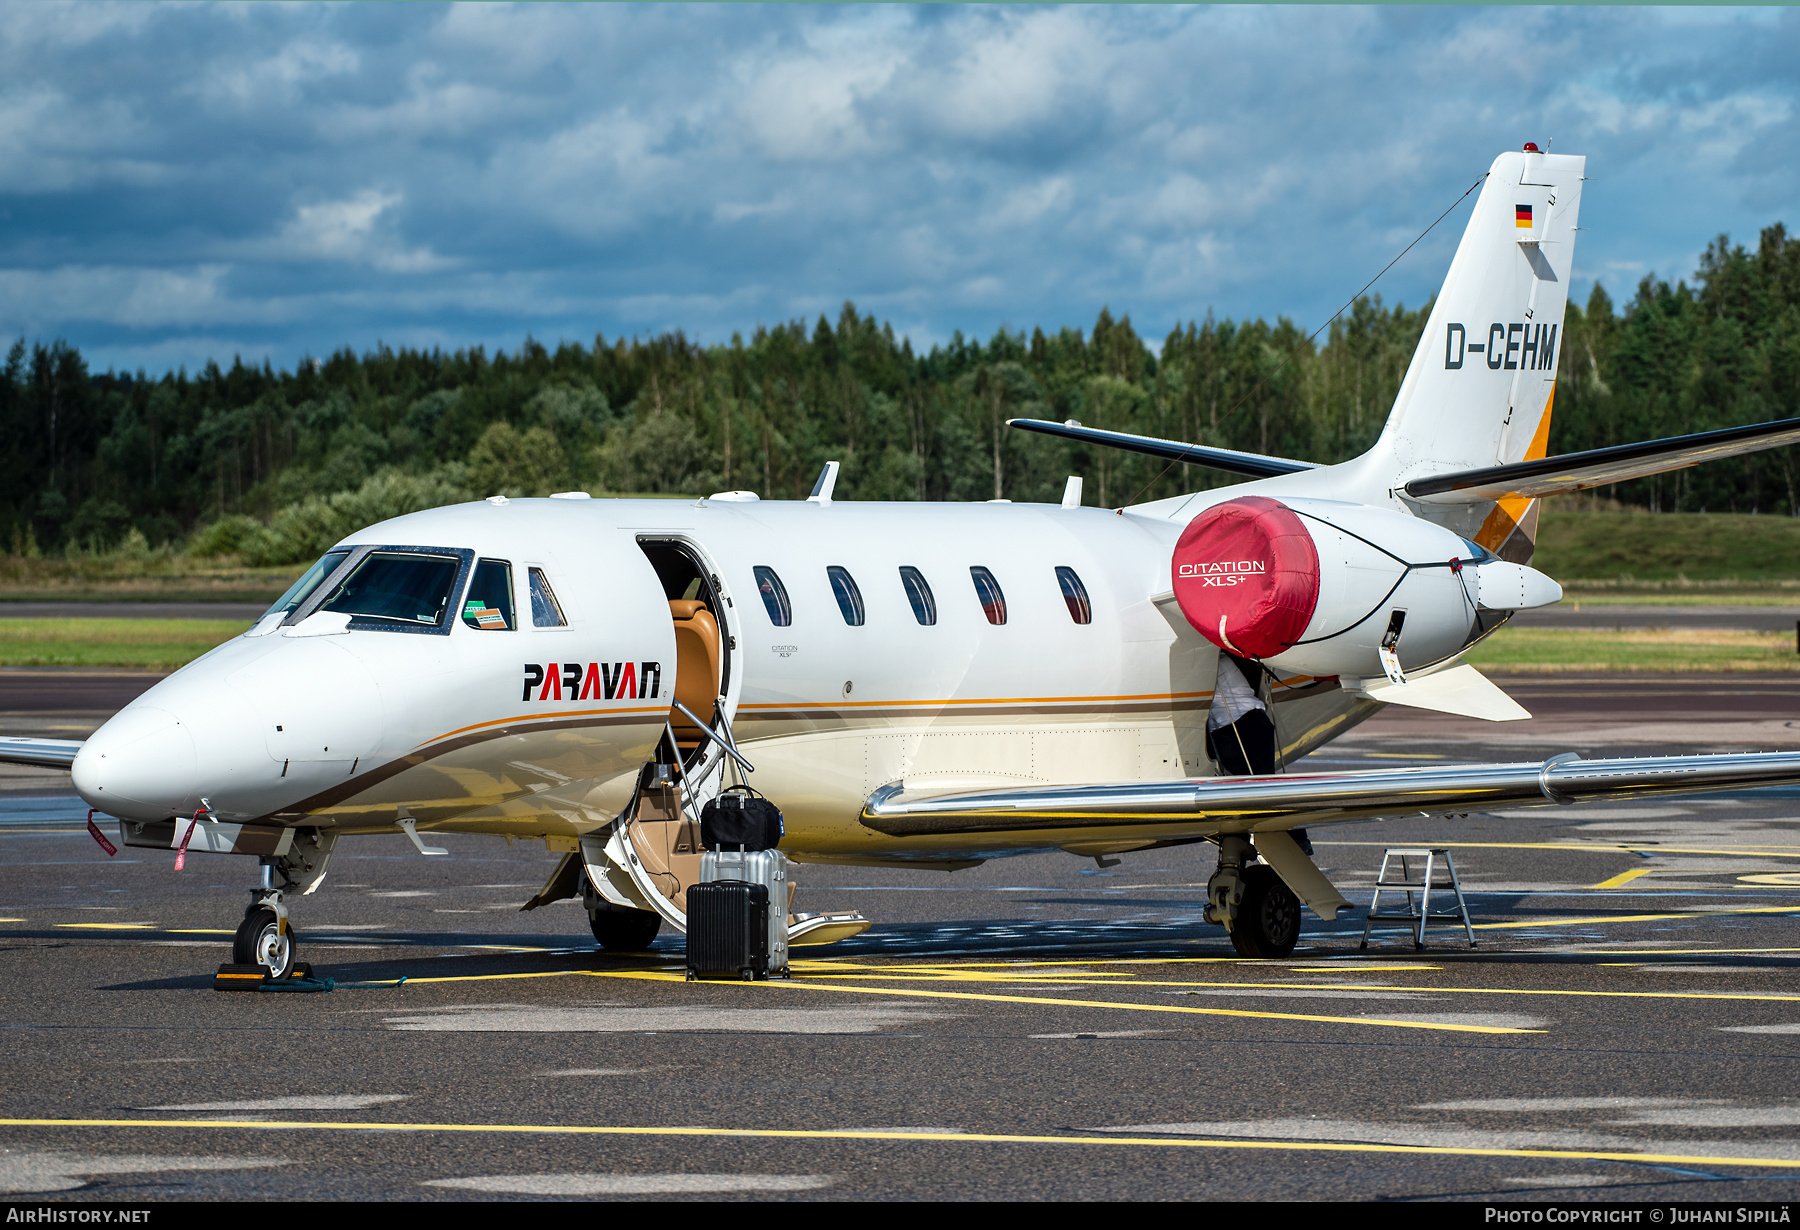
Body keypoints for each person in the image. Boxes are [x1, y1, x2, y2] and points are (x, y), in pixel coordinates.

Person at [1206, 654, 1278, 777]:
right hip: (1250, 722)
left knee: (1250, 781)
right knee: (1259, 780)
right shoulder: (1221, 661)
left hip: (1241, 726)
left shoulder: (1214, 664)